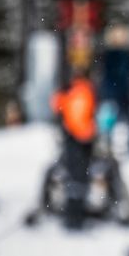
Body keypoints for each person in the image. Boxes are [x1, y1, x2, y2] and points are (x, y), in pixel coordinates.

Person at [51, 67, 96, 230]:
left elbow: (57, 108)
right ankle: (78, 216)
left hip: (73, 139)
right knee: (80, 177)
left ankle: (72, 216)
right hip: (84, 140)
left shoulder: (69, 91)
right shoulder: (88, 90)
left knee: (73, 178)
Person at [99, 24, 129, 156]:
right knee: (109, 122)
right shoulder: (108, 55)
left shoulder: (128, 55)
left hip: (125, 92)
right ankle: (108, 146)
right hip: (111, 93)